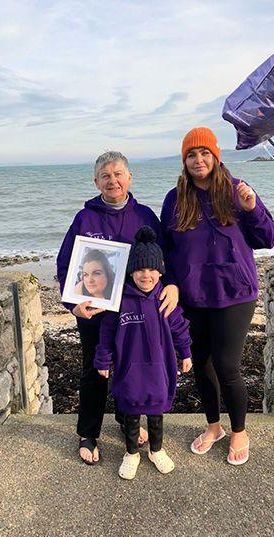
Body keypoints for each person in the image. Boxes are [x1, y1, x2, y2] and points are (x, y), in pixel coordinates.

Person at [159, 127, 274, 466]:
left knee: (227, 366)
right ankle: (214, 427)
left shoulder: (237, 190)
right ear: (184, 160)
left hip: (235, 294)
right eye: (192, 155)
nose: (199, 160)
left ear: (216, 156)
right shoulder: (175, 199)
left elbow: (268, 238)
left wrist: (252, 208)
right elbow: (164, 249)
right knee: (202, 365)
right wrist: (169, 281)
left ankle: (239, 430)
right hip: (193, 298)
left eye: (204, 153)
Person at [56, 151, 180, 465]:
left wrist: (172, 285)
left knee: (134, 369)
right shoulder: (85, 218)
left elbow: (165, 260)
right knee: (94, 371)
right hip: (94, 313)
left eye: (118, 173)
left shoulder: (146, 216)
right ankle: (88, 432)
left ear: (129, 178)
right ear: (96, 181)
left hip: (136, 314)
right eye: (106, 175)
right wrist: (73, 304)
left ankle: (128, 419)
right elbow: (65, 264)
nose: (113, 180)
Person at [94, 226, 193, 479]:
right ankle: (131, 453)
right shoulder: (119, 300)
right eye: (139, 269)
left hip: (159, 368)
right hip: (129, 369)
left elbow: (180, 328)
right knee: (130, 412)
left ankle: (156, 450)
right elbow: (106, 333)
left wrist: (186, 353)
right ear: (131, 272)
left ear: (160, 271)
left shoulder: (165, 299)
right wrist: (103, 360)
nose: (145, 275)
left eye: (151, 270)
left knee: (156, 412)